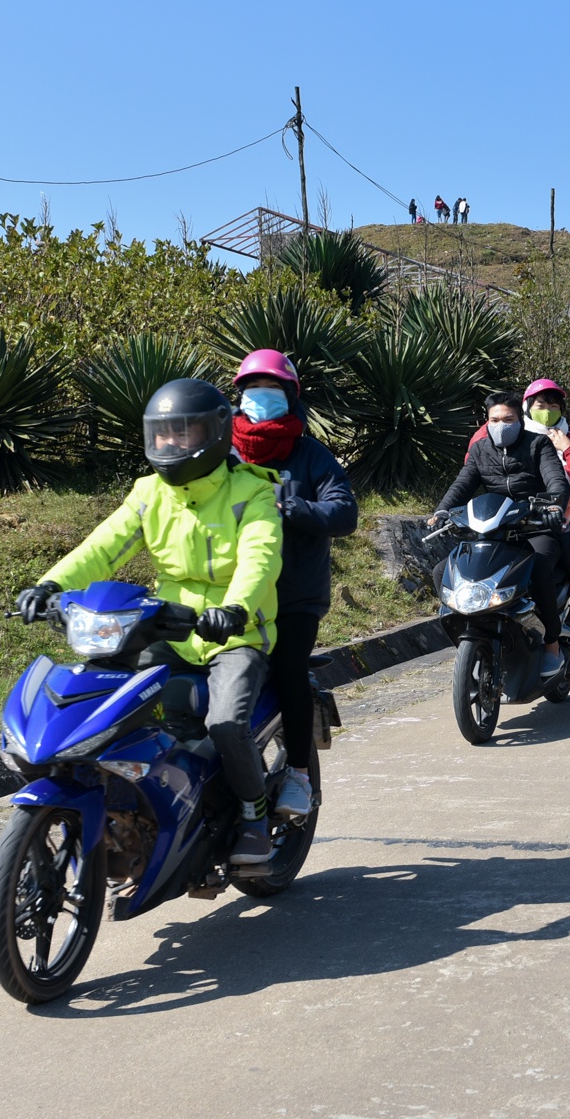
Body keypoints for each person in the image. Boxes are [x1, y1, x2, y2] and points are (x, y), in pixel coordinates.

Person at [17, 379, 283, 864]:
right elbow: (101, 547)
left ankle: (254, 815)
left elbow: (259, 560)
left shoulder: (253, 493)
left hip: (235, 635)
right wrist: (50, 585)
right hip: (168, 629)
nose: (171, 445)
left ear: (216, 435)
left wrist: (236, 609)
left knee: (224, 722)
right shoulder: (148, 494)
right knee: (120, 711)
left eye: (183, 434)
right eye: (162, 435)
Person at [230, 350, 358, 820]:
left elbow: (344, 513)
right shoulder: (222, 451)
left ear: (290, 398)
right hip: (232, 592)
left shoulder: (311, 454)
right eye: (252, 391)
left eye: (273, 391)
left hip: (294, 596)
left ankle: (300, 775)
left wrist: (290, 509)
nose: (261, 399)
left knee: (288, 673)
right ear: (238, 398)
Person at [431, 391, 570, 677]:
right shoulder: (481, 450)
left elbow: (556, 479)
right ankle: (471, 638)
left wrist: (553, 504)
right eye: (495, 419)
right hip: (494, 530)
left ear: (519, 419)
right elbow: (463, 484)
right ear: (487, 421)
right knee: (440, 571)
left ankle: (551, 644)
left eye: (508, 419)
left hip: (535, 525)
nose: (501, 424)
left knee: (540, 567)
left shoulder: (538, 444)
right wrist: (443, 511)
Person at [474, 380, 570, 640]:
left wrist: (568, 450)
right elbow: (476, 465)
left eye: (553, 405)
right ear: (526, 407)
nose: (546, 411)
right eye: (540, 405)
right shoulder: (508, 431)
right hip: (508, 517)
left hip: (564, 517)